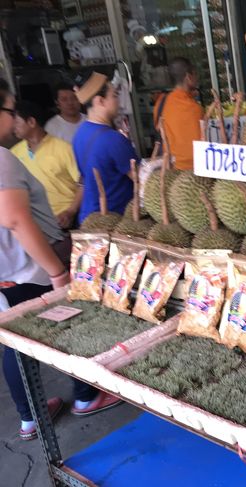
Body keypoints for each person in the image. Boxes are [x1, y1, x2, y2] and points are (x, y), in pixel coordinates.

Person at [0, 89, 121, 440]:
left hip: (7, 272)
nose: (14, 117)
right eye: (10, 109)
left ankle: (31, 416)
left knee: (16, 341)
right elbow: (16, 220)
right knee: (66, 327)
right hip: (29, 269)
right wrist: (56, 271)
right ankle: (85, 396)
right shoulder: (3, 158)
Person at [73, 72, 137, 224]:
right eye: (114, 95)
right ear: (100, 101)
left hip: (89, 218)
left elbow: (84, 176)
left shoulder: (79, 134)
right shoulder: (113, 139)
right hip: (114, 220)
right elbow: (140, 178)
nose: (118, 102)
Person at [11, 100, 82, 229]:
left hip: (66, 220)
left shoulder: (63, 149)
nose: (13, 127)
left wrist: (70, 212)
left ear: (31, 122)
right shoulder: (14, 153)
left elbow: (83, 184)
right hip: (37, 225)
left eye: (16, 122)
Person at [152, 57, 202, 171]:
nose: (196, 77)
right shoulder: (194, 108)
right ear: (188, 77)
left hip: (170, 170)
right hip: (192, 171)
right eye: (194, 74)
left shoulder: (161, 103)